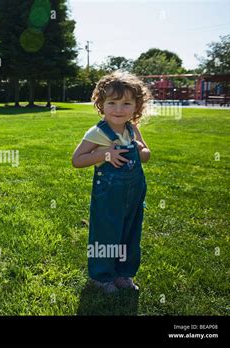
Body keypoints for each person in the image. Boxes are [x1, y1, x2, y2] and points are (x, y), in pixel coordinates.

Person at [72, 71, 152, 294]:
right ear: (101, 104)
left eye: (127, 103)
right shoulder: (98, 132)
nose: (119, 109)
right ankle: (101, 276)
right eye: (112, 102)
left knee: (129, 232)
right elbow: (77, 160)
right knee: (106, 233)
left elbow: (145, 154)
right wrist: (104, 154)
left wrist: (141, 149)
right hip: (108, 194)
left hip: (134, 192)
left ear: (136, 106)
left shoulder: (132, 129)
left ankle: (123, 273)